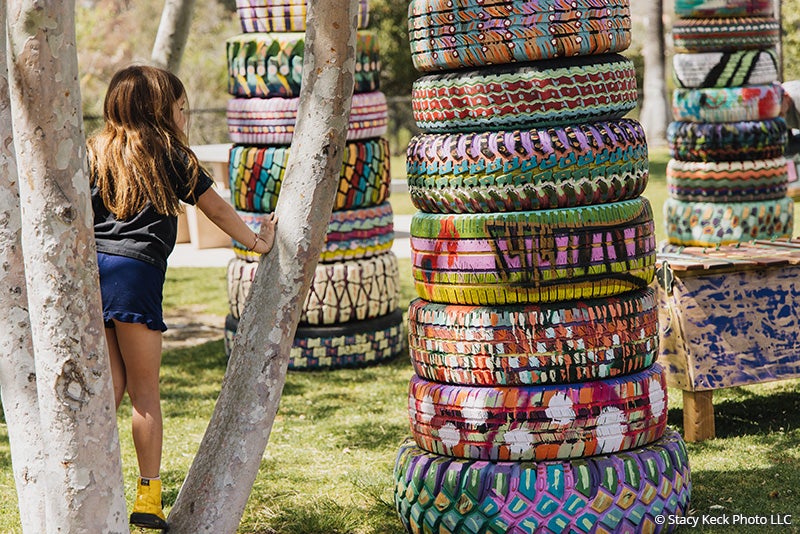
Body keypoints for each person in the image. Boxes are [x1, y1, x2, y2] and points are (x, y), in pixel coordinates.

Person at [87, 64, 276, 530]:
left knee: (107, 386)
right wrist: (256, 242)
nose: (184, 114)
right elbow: (215, 209)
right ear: (162, 109)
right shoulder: (170, 153)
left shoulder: (94, 149)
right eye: (181, 106)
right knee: (145, 393)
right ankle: (148, 501)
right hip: (136, 275)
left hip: (92, 273)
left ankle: (88, 484)